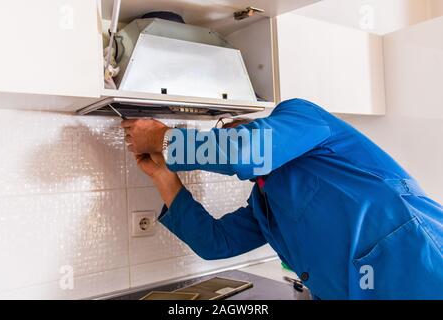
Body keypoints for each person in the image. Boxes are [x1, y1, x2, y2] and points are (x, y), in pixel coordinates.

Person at [121, 98, 443, 300]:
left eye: (224, 130)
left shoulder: (302, 116)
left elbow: (244, 151)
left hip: (422, 268)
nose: (224, 133)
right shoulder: (265, 202)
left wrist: (156, 138)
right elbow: (216, 243)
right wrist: (164, 176)